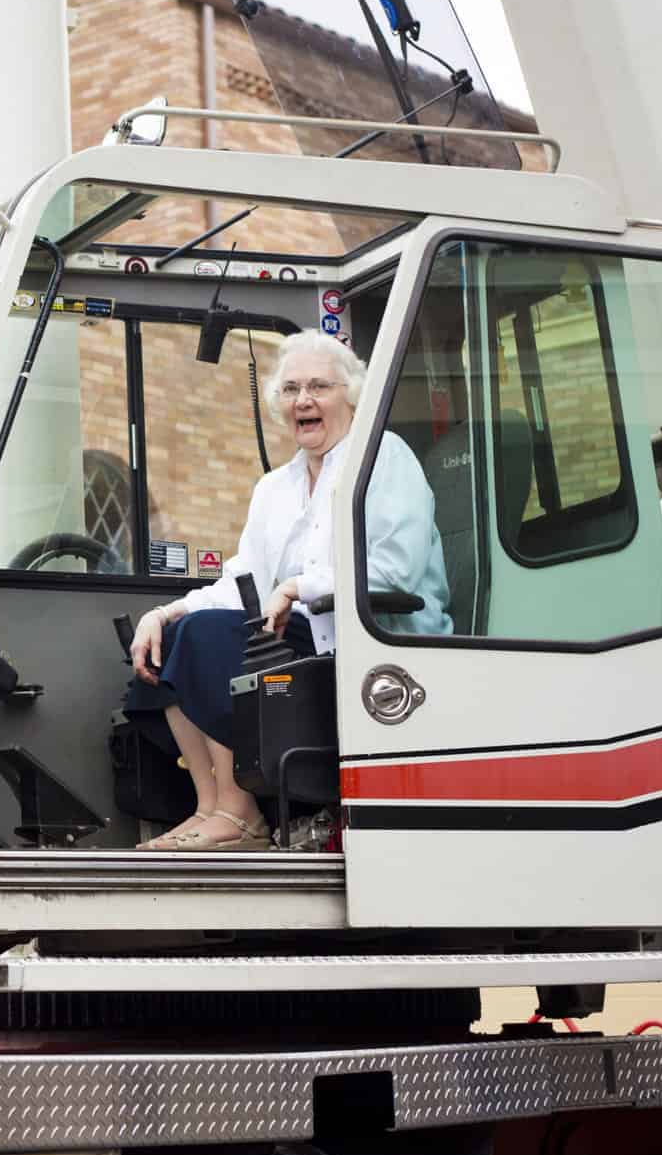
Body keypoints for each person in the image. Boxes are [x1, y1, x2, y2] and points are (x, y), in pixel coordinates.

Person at [124, 331, 449, 850]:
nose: (303, 400)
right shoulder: (273, 489)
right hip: (300, 638)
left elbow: (396, 571)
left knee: (208, 638)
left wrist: (298, 587)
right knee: (171, 642)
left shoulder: (383, 457)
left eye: (319, 386)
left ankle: (239, 812)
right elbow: (244, 582)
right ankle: (211, 806)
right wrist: (164, 614)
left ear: (351, 395)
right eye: (291, 389)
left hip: (369, 641)